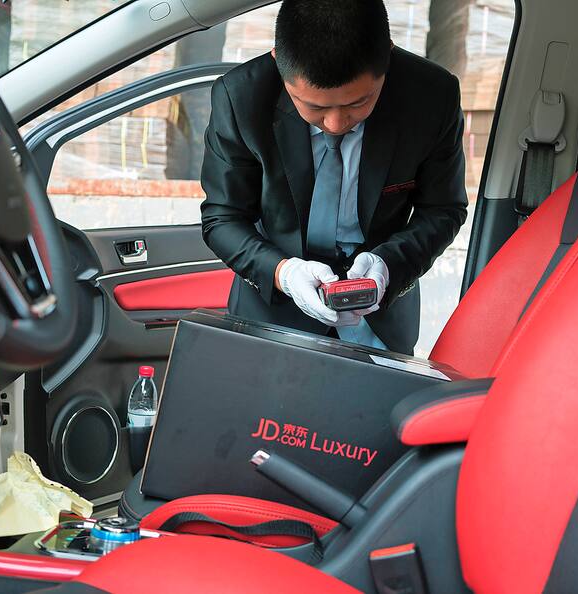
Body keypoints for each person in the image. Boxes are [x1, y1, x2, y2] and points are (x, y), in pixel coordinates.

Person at [200, 0, 467, 355]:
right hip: (271, 316)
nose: (336, 124)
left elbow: (443, 209)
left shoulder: (431, 96)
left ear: (388, 58)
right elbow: (223, 217)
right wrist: (285, 274)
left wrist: (388, 266)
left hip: (380, 316)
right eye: (315, 107)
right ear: (278, 61)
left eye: (359, 103)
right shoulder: (241, 98)